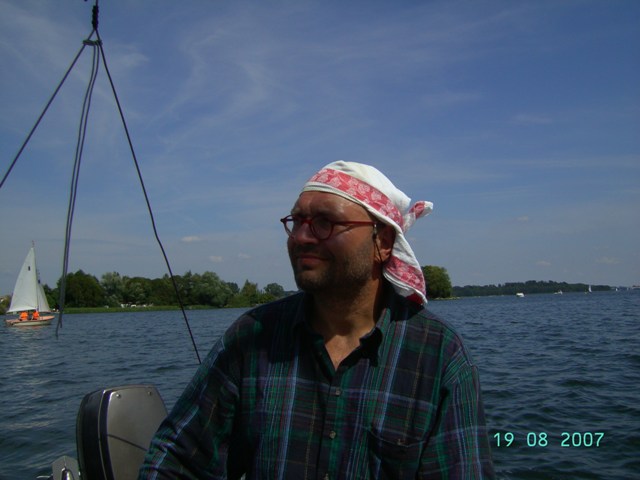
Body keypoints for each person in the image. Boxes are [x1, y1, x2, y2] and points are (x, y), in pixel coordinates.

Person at [139, 160, 494, 479]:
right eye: (297, 222)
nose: (302, 237)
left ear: (382, 242)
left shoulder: (438, 357)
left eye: (326, 222)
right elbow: (178, 462)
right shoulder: (252, 339)